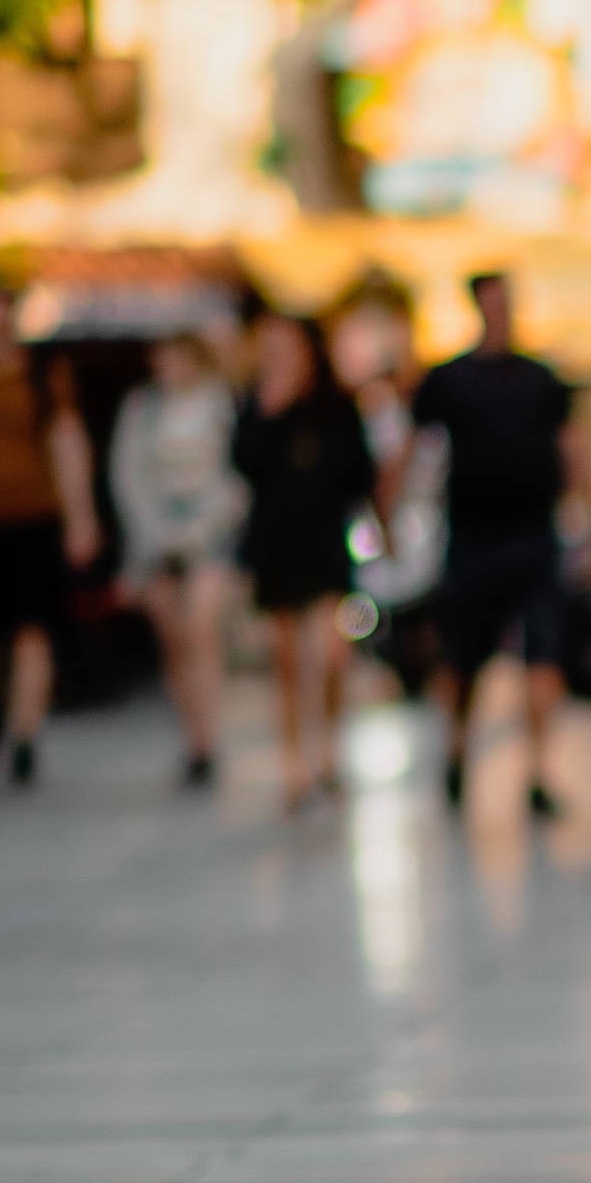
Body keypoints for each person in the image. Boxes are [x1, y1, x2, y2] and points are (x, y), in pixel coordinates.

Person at [389, 269, 582, 817]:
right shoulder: (449, 380)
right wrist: (391, 511)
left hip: (534, 534)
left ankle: (540, 769)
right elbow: (413, 447)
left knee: (542, 657)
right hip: (472, 536)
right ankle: (455, 751)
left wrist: (590, 515)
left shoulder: (541, 379)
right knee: (461, 659)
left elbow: (572, 446)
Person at [0, 283, 102, 787]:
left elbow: (66, 442)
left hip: (34, 520)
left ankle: (23, 737)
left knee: (30, 632)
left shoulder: (42, 374)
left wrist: (81, 515)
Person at [232, 312, 374, 811]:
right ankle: (295, 761)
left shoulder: (336, 407)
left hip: (325, 544)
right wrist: (270, 411)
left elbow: (360, 471)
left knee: (334, 649)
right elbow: (243, 462)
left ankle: (330, 745)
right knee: (287, 660)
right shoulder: (260, 402)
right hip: (277, 545)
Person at [111, 331, 243, 786]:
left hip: (210, 531)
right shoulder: (143, 409)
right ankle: (193, 737)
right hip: (157, 535)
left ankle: (211, 732)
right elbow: (127, 474)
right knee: (173, 641)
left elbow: (236, 471)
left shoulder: (221, 404)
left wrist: (207, 524)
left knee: (200, 628)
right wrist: (151, 531)